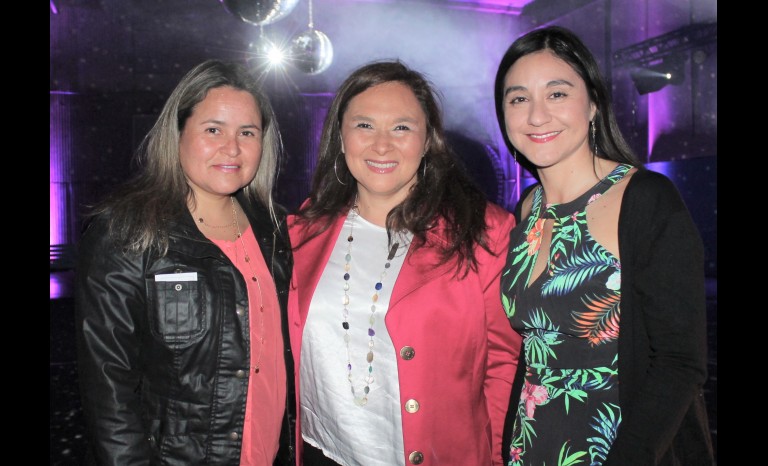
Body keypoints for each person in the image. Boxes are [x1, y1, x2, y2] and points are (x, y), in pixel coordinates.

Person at [493, 26, 714, 465]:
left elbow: (679, 363)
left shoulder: (645, 200)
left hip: (617, 449)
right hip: (532, 446)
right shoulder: (527, 208)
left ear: (593, 103)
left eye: (557, 94)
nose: (537, 116)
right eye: (519, 98)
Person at [287, 60, 522, 466]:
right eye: (364, 125)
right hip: (321, 453)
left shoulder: (484, 233)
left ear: (428, 139)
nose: (382, 145)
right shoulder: (306, 229)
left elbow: (504, 368)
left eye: (401, 127)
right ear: (340, 138)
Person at [74, 59, 296, 465]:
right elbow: (108, 388)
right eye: (213, 130)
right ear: (177, 134)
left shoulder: (276, 230)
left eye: (247, 133)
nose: (232, 148)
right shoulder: (128, 232)